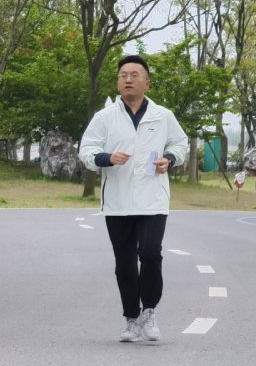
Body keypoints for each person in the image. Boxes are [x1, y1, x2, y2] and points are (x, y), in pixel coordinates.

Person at [78, 55, 188, 343]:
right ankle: (131, 319)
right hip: (118, 202)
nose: (128, 79)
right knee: (124, 263)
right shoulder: (104, 117)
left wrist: (170, 158)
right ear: (118, 83)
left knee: (150, 254)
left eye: (134, 75)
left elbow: (181, 143)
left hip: (153, 200)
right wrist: (107, 158)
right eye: (123, 75)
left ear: (147, 83)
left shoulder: (163, 116)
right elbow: (86, 150)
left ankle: (149, 311)